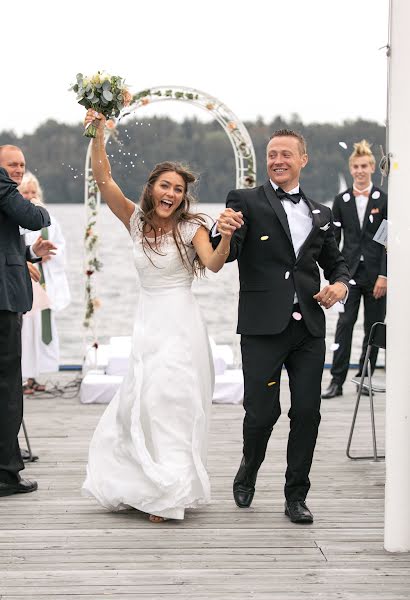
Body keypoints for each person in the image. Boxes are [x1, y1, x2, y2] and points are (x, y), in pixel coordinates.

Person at [81, 109, 242, 522]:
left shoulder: (194, 228)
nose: (171, 193)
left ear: (184, 196)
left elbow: (215, 263)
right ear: (152, 189)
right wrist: (99, 131)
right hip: (147, 323)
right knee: (141, 400)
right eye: (165, 185)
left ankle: (171, 490)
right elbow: (104, 180)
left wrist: (227, 239)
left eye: (178, 189)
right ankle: (146, 483)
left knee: (172, 400)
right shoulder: (134, 221)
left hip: (181, 325)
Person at [212, 129, 351, 523]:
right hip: (261, 326)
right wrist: (220, 230)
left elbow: (336, 263)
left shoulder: (321, 213)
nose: (277, 160)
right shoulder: (245, 201)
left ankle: (295, 496)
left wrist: (339, 285)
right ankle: (249, 468)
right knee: (261, 413)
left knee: (307, 412)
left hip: (308, 328)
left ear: (302, 160)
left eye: (286, 154)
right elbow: (230, 250)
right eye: (272, 154)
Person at [0, 145, 56, 497]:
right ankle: (6, 473)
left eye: (22, 165)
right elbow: (35, 219)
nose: (18, 171)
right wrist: (39, 207)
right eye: (12, 165)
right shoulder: (2, 186)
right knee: (7, 386)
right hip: (2, 302)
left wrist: (28, 254)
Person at [322, 140, 387, 399]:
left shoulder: (383, 200)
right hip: (348, 275)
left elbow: (387, 242)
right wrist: (334, 274)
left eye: (365, 166)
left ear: (372, 167)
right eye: (356, 167)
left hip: (375, 276)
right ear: (351, 169)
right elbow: (333, 242)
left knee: (373, 327)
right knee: (345, 324)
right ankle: (336, 380)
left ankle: (365, 377)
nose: (360, 170)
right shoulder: (341, 200)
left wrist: (384, 275)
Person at [19, 172, 71, 394]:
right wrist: (32, 255)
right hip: (24, 280)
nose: (30, 196)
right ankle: (22, 377)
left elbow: (60, 246)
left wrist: (50, 254)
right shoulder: (15, 217)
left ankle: (35, 375)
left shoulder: (48, 219)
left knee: (40, 328)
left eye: (33, 192)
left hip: (43, 280)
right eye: (25, 192)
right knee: (24, 331)